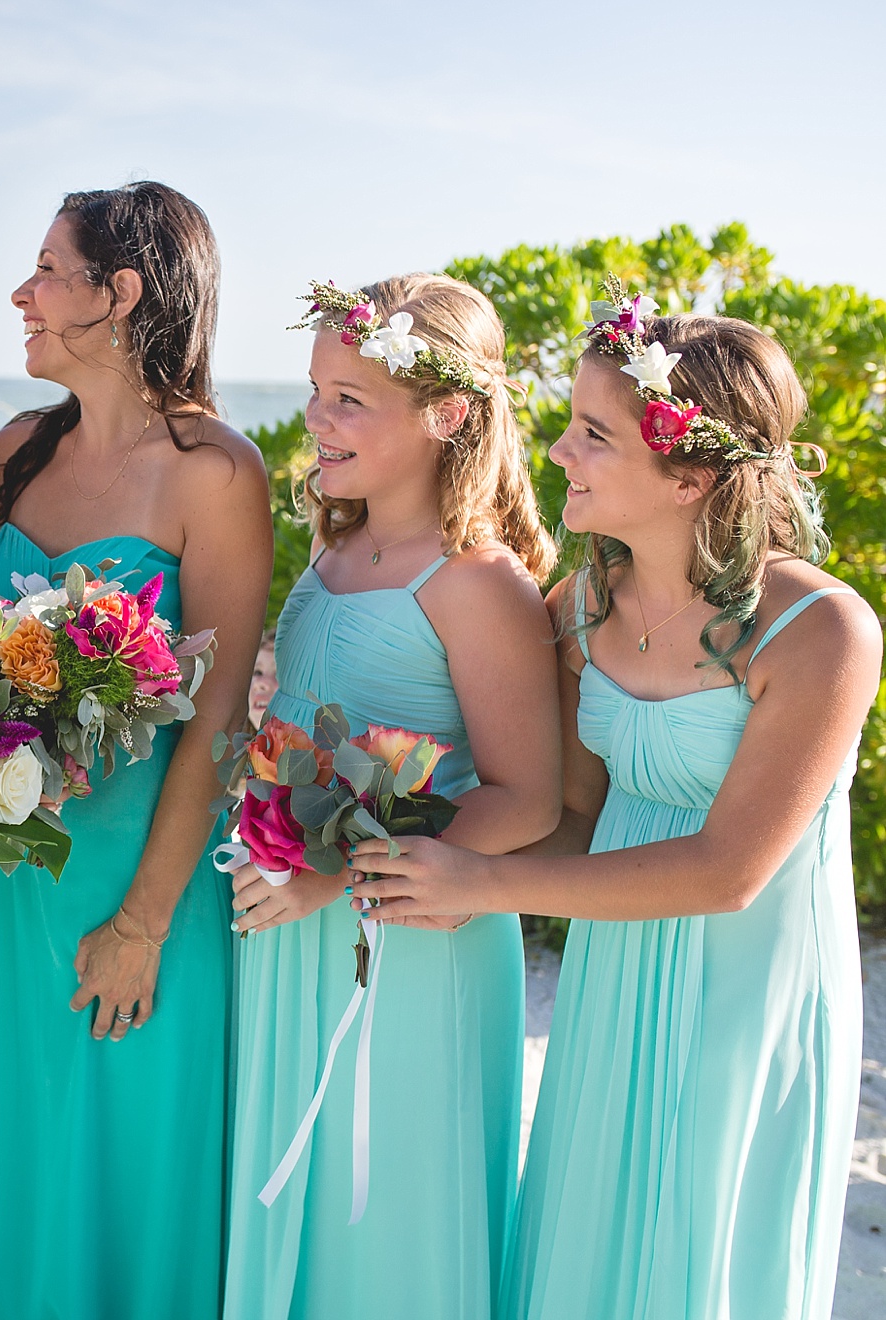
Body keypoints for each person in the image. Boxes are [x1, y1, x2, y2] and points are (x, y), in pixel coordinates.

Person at [350, 298, 879, 1320]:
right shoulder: (578, 608)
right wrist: (381, 822)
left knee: (705, 1251)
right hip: (613, 960)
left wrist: (487, 881)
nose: (557, 451)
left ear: (692, 475)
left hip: (749, 981)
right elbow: (573, 817)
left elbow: (730, 872)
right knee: (590, 1234)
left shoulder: (824, 633)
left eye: (594, 433)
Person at [0, 183, 268, 1320]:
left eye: (48, 272)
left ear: (122, 295)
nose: (20, 291)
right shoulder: (13, 451)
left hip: (137, 886)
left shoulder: (218, 474)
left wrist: (143, 926)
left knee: (126, 1163)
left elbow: (216, 722)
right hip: (6, 883)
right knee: (17, 1151)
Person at [222, 274, 560, 1320]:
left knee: (388, 1219)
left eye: (350, 399)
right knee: (300, 1200)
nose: (317, 418)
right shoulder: (336, 545)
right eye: (317, 389)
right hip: (293, 927)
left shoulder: (475, 581)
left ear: (446, 415)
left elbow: (529, 797)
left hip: (404, 943)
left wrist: (335, 876)